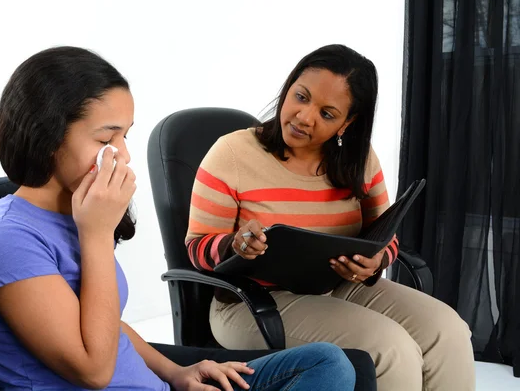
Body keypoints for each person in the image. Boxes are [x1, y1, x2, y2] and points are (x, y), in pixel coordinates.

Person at [0, 46, 360, 391]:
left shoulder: (72, 215)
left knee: (328, 363)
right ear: (47, 137)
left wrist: (177, 373)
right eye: (105, 139)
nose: (124, 155)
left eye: (125, 137)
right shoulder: (5, 240)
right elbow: (94, 371)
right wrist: (96, 235)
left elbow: (104, 323)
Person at [185, 44, 476, 391]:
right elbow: (196, 247)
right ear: (288, 87)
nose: (304, 117)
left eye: (327, 113)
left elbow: (386, 236)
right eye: (301, 96)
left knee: (449, 330)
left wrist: (378, 258)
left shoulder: (360, 160)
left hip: (338, 287)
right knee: (391, 349)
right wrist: (236, 245)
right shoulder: (232, 153)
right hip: (253, 302)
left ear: (347, 123)